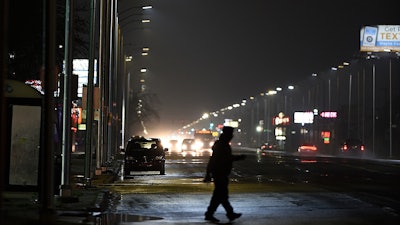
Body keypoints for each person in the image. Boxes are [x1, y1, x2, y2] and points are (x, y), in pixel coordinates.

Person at [204, 126, 246, 222]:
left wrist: (208, 173)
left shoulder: (222, 144)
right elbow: (221, 159)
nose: (232, 136)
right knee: (221, 195)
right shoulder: (222, 145)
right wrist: (239, 158)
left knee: (220, 195)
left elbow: (214, 159)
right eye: (231, 134)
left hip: (220, 173)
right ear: (227, 134)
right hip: (220, 173)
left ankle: (224, 213)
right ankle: (214, 214)